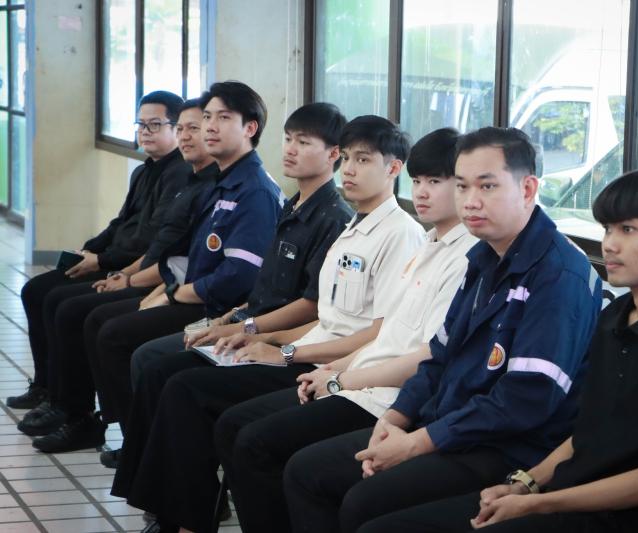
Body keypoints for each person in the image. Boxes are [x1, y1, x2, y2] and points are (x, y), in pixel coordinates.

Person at [356, 168, 638, 533]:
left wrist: (538, 503)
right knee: (379, 519)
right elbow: (586, 432)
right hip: (564, 496)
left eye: (628, 230)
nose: (610, 244)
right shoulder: (615, 317)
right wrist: (525, 484)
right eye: (608, 229)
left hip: (616, 518)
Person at [113, 115, 426, 533]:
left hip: (332, 368)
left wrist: (284, 351)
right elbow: (326, 318)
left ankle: (188, 521)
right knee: (174, 379)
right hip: (307, 353)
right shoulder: (353, 226)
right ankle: (178, 517)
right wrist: (256, 334)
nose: (349, 169)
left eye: (363, 160)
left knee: (198, 397)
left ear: (393, 168)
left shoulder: (400, 234)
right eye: (348, 158)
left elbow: (375, 334)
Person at [282, 126, 602, 533]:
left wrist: (417, 442)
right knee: (307, 472)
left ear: (527, 189)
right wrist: (395, 419)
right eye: (463, 186)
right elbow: (439, 356)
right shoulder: (484, 257)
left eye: (487, 186)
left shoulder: (558, 274)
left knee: (365, 505)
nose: (471, 200)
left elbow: (525, 401)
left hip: (507, 448)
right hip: (450, 425)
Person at [211, 127, 479, 532]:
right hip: (351, 375)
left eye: (436, 182)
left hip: (385, 395)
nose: (423, 192)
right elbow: (383, 333)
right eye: (419, 181)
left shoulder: (455, 254)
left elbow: (423, 355)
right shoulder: (426, 243)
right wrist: (328, 369)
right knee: (238, 427)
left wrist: (326, 372)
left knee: (266, 448)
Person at [97, 101, 354, 469]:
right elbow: (261, 288)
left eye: (303, 142)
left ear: (333, 154)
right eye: (288, 139)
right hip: (245, 320)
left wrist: (245, 329)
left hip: (277, 340)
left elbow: (309, 306)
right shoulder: (293, 205)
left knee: (168, 374)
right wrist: (226, 321)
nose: (290, 149)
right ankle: (146, 468)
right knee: (154, 362)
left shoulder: (331, 217)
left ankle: (167, 482)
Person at [30, 81, 283, 453]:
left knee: (114, 334)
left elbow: (238, 276)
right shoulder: (219, 182)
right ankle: (121, 431)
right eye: (205, 118)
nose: (207, 128)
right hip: (191, 294)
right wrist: (164, 288)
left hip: (217, 308)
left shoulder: (252, 190)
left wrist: (170, 292)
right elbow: (181, 253)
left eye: (222, 118)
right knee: (82, 313)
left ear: (250, 128)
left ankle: (133, 439)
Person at [17, 98, 218, 447]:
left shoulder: (190, 177)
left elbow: (158, 246)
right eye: (141, 124)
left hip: (168, 284)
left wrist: (115, 269)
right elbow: (125, 225)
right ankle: (52, 392)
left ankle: (83, 414)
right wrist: (91, 250)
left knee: (73, 310)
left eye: (156, 125)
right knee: (39, 291)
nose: (145, 132)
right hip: (142, 271)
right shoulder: (147, 171)